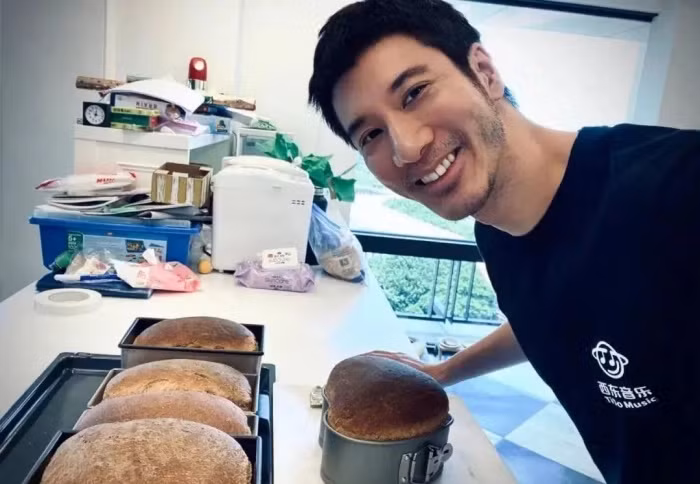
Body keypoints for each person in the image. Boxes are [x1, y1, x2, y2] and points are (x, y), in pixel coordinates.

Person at [308, 0, 700, 483]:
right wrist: (444, 372)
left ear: (484, 72)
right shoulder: (496, 235)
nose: (406, 146)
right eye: (371, 134)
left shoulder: (677, 184)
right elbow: (550, 317)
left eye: (414, 93)